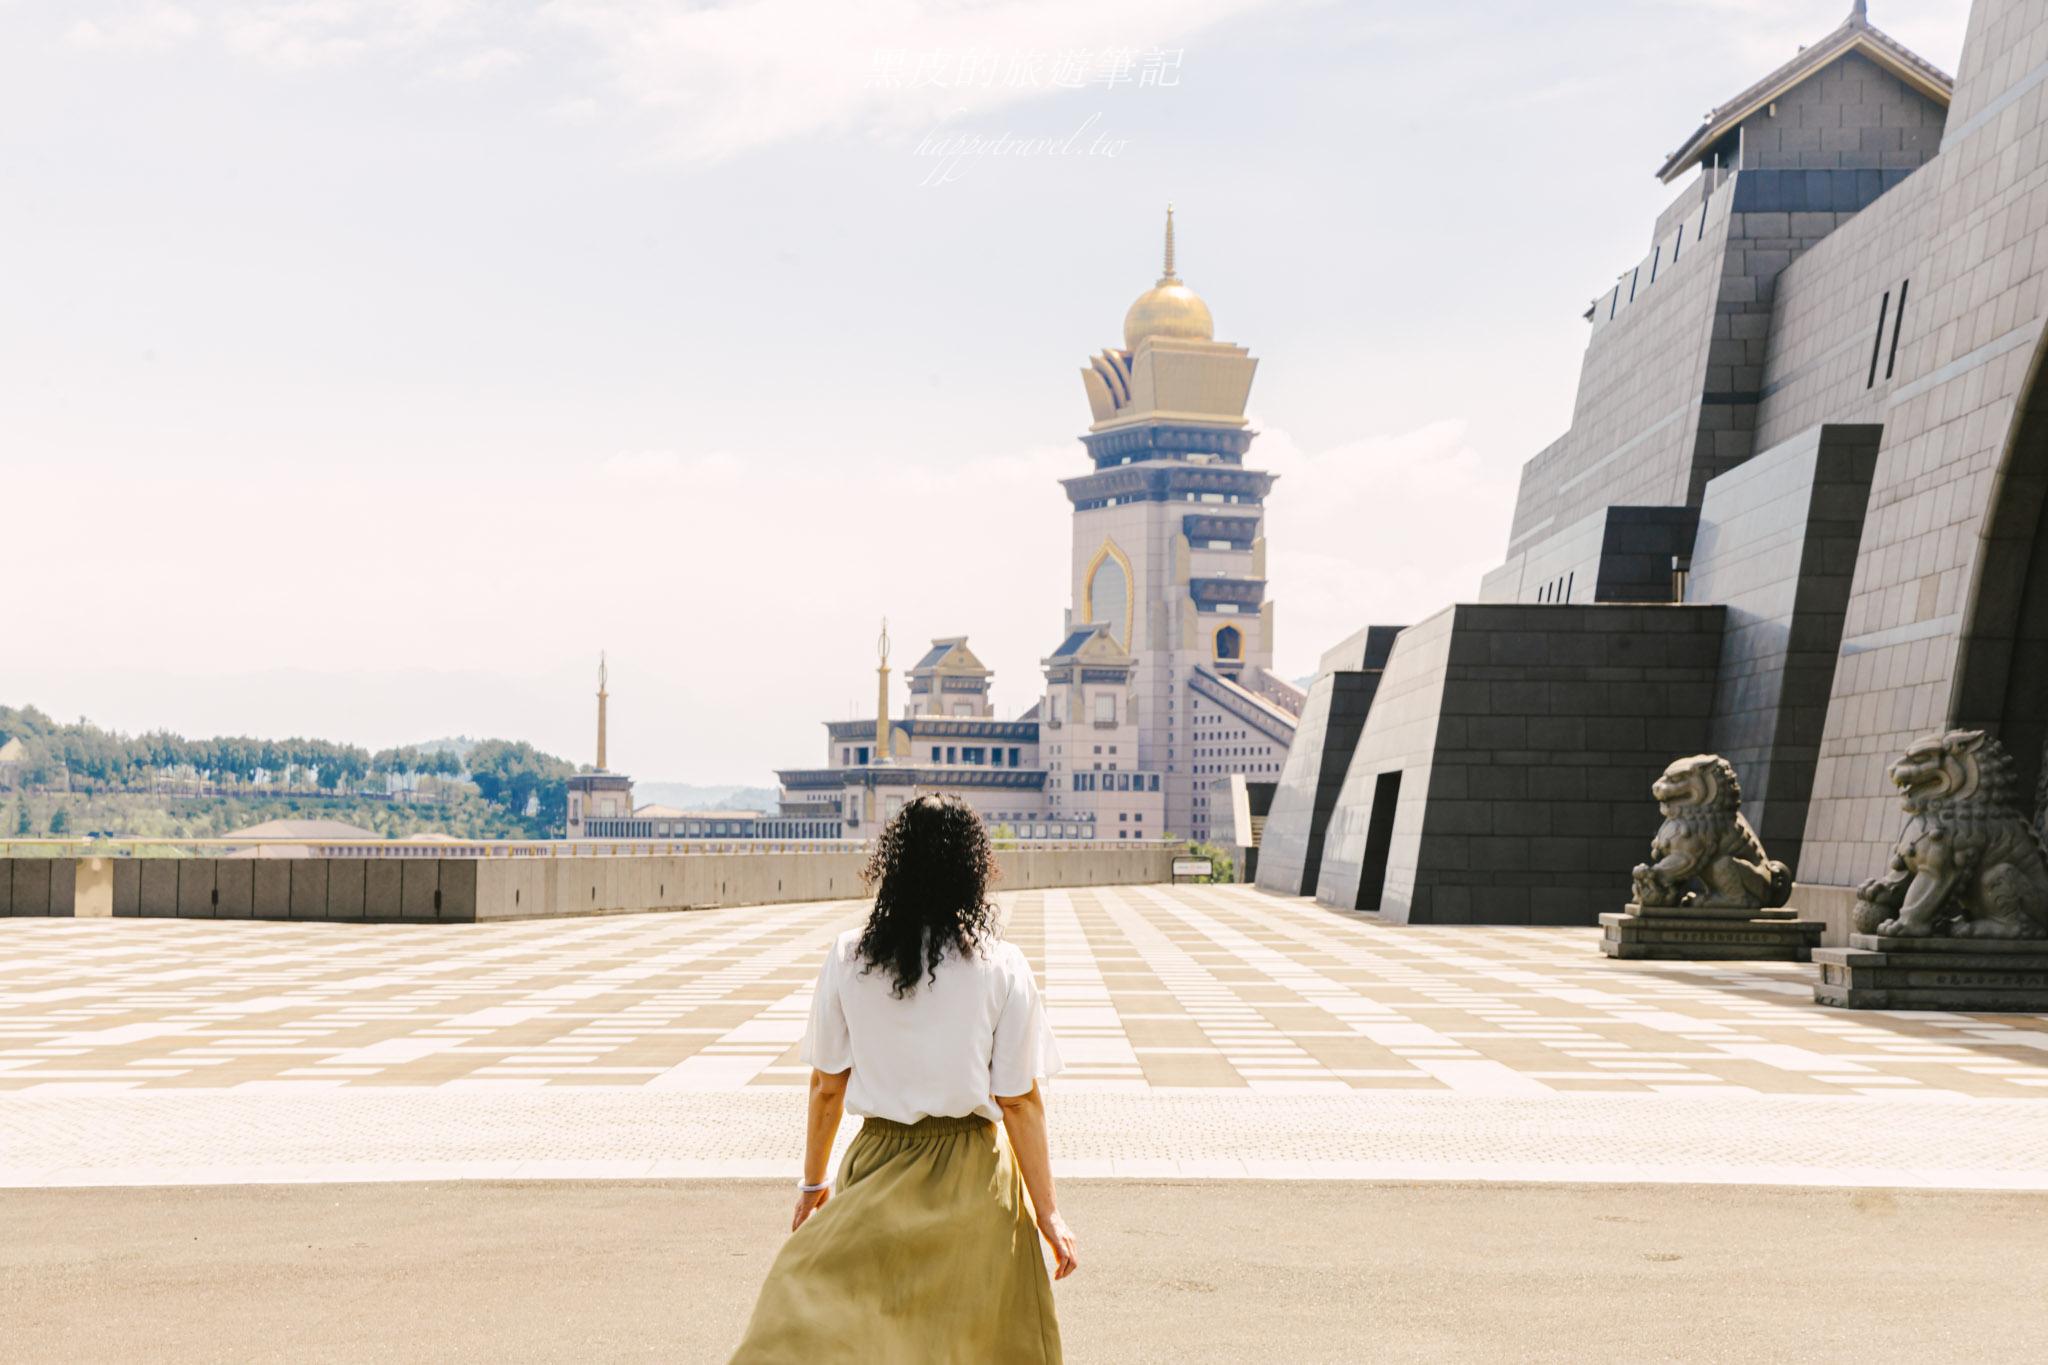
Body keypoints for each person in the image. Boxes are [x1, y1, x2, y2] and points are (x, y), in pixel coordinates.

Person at [728, 794, 1076, 1364]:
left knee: (841, 1330)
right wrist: (1048, 1213)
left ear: (892, 864)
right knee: (972, 1347)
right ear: (973, 868)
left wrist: (813, 1185)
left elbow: (827, 1086)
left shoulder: (849, 956)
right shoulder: (1002, 965)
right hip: (974, 1177)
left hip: (877, 1166)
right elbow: (1019, 1102)